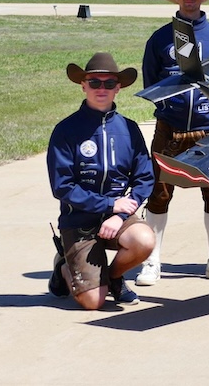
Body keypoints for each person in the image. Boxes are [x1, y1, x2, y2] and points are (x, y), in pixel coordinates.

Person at [138, 0, 209, 285]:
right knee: (159, 192)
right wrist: (169, 107)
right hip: (170, 126)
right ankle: (152, 261)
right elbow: (151, 81)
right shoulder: (159, 39)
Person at [47, 53, 156, 309]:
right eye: (94, 82)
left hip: (118, 217)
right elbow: (62, 186)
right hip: (80, 220)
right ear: (83, 85)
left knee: (144, 240)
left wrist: (119, 213)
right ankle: (64, 265)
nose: (101, 89)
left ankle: (114, 277)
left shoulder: (129, 129)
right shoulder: (66, 130)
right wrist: (109, 205)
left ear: (118, 88)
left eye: (109, 83)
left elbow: (144, 177)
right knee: (92, 302)